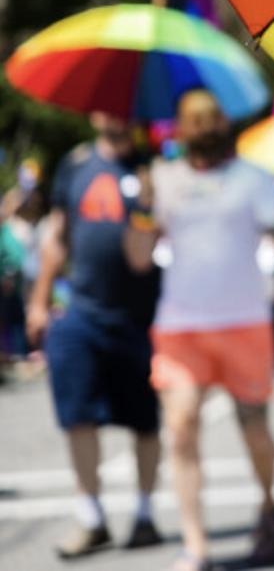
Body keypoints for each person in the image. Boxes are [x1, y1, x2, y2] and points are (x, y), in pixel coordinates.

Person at [125, 88, 274, 571]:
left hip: (244, 322)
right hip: (182, 328)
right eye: (193, 120)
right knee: (180, 428)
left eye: (210, 118)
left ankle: (267, 505)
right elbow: (138, 258)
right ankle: (195, 544)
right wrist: (143, 205)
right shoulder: (161, 180)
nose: (203, 127)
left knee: (255, 430)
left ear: (225, 123)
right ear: (179, 127)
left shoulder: (253, 179)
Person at [26, 114, 164, 558]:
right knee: (77, 415)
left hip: (139, 316)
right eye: (105, 108)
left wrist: (144, 205)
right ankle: (91, 517)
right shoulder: (74, 165)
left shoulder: (152, 168)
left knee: (145, 421)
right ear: (93, 114)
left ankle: (144, 514)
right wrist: (39, 298)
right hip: (81, 312)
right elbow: (57, 236)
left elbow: (141, 260)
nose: (113, 116)